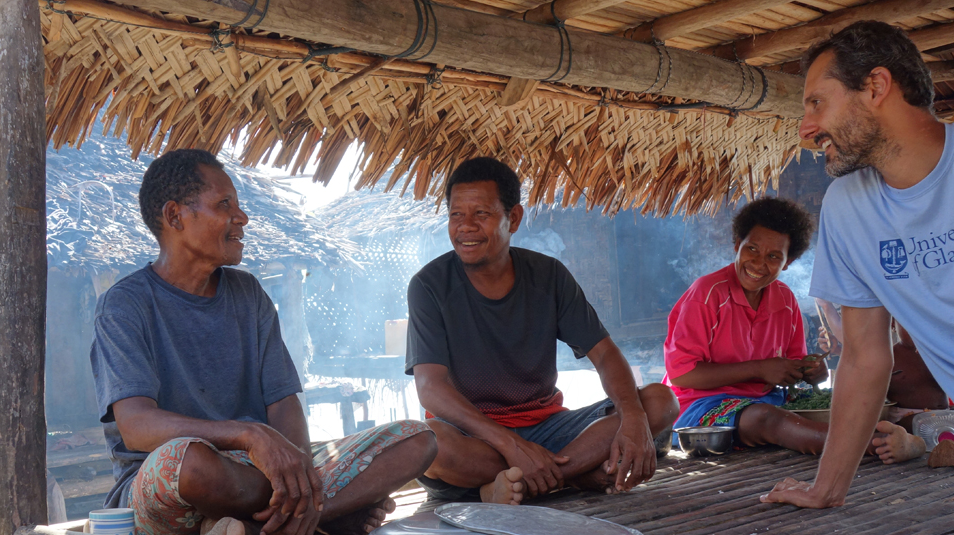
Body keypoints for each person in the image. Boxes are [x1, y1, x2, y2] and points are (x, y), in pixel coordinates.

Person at [89, 149, 436, 535]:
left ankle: (270, 522)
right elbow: (137, 426)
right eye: (225, 204)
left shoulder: (247, 293)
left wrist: (301, 473)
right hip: (176, 486)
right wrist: (249, 435)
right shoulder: (125, 305)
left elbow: (283, 402)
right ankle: (324, 519)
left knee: (416, 439)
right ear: (175, 216)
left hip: (262, 476)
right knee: (187, 464)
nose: (242, 218)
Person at [406, 157, 679, 506]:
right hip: (474, 437)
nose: (466, 227)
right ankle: (574, 474)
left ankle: (531, 481)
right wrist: (511, 444)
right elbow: (430, 388)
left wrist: (634, 417)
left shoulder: (548, 276)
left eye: (482, 214)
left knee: (659, 401)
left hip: (549, 430)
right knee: (431, 442)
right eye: (456, 214)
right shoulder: (429, 286)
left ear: (514, 218)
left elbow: (605, 354)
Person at [762, 21, 954, 509]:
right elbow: (866, 356)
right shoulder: (848, 207)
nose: (807, 130)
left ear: (875, 87)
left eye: (817, 103)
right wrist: (825, 490)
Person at [663, 198, 921, 460]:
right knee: (768, 420)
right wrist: (760, 369)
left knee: (849, 400)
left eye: (774, 256)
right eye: (751, 248)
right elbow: (682, 375)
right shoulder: (707, 294)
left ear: (788, 261)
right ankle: (874, 445)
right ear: (736, 244)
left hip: (768, 401)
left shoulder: (785, 300)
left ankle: (912, 431)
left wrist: (811, 371)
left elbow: (795, 366)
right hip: (698, 408)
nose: (758, 263)